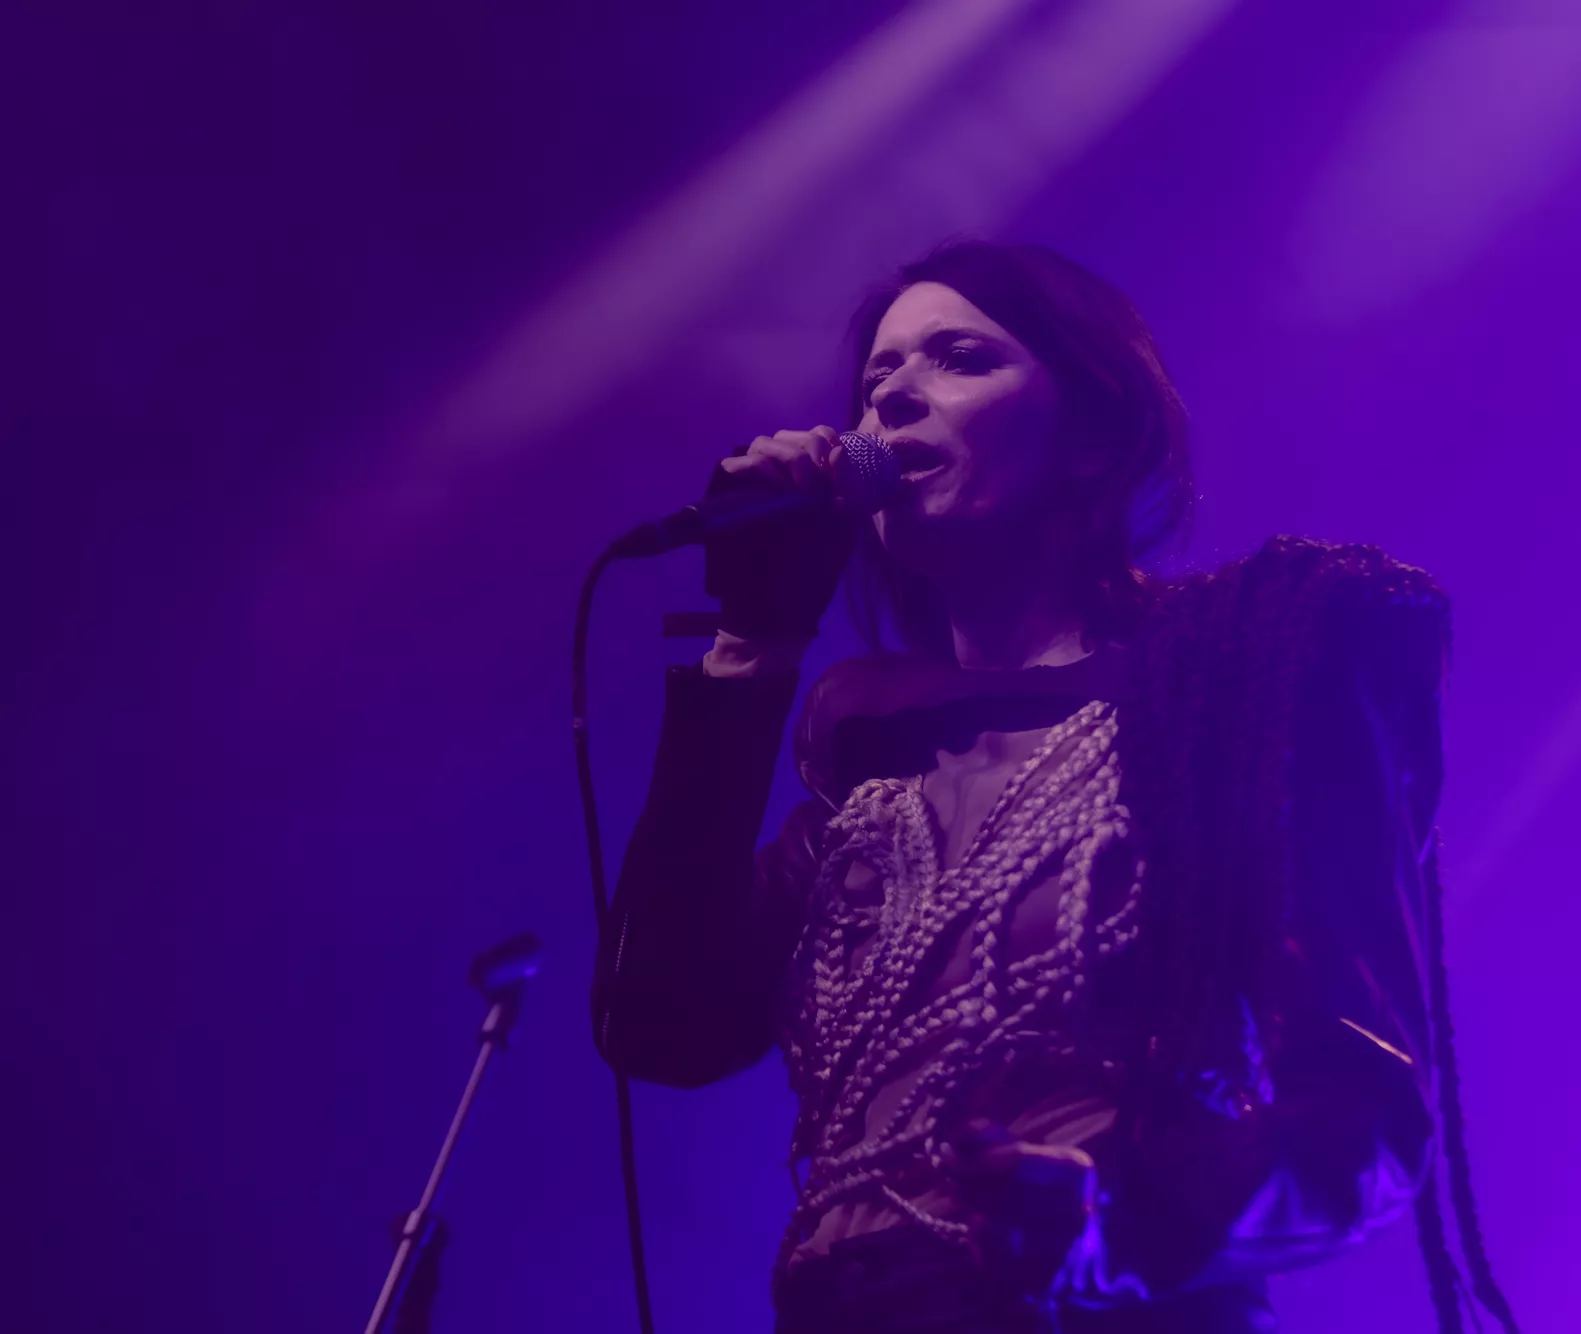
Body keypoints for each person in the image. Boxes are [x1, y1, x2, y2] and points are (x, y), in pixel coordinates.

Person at [591, 241, 1516, 1333]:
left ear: (1094, 437)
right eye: (878, 374)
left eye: (958, 357)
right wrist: (752, 645)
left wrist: (1108, 1228)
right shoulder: (867, 785)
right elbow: (659, 1023)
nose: (890, 395)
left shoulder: (1232, 707)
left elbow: (1364, 1120)